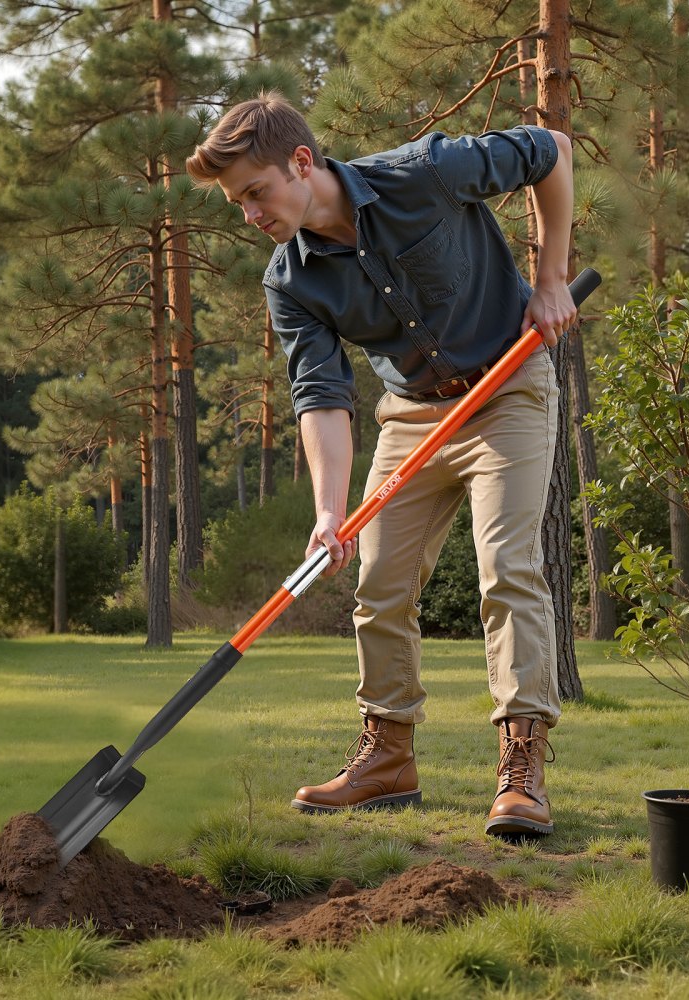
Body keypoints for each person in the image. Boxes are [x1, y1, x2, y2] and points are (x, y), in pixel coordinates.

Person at [187, 91, 576, 837]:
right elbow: (322, 395)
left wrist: (552, 277)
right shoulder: (289, 279)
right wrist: (329, 512)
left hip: (507, 389)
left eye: (256, 193)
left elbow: (553, 150)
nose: (250, 215)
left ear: (302, 162)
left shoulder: (424, 172)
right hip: (412, 415)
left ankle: (522, 765)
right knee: (378, 585)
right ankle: (388, 757)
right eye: (237, 203)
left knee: (506, 566)